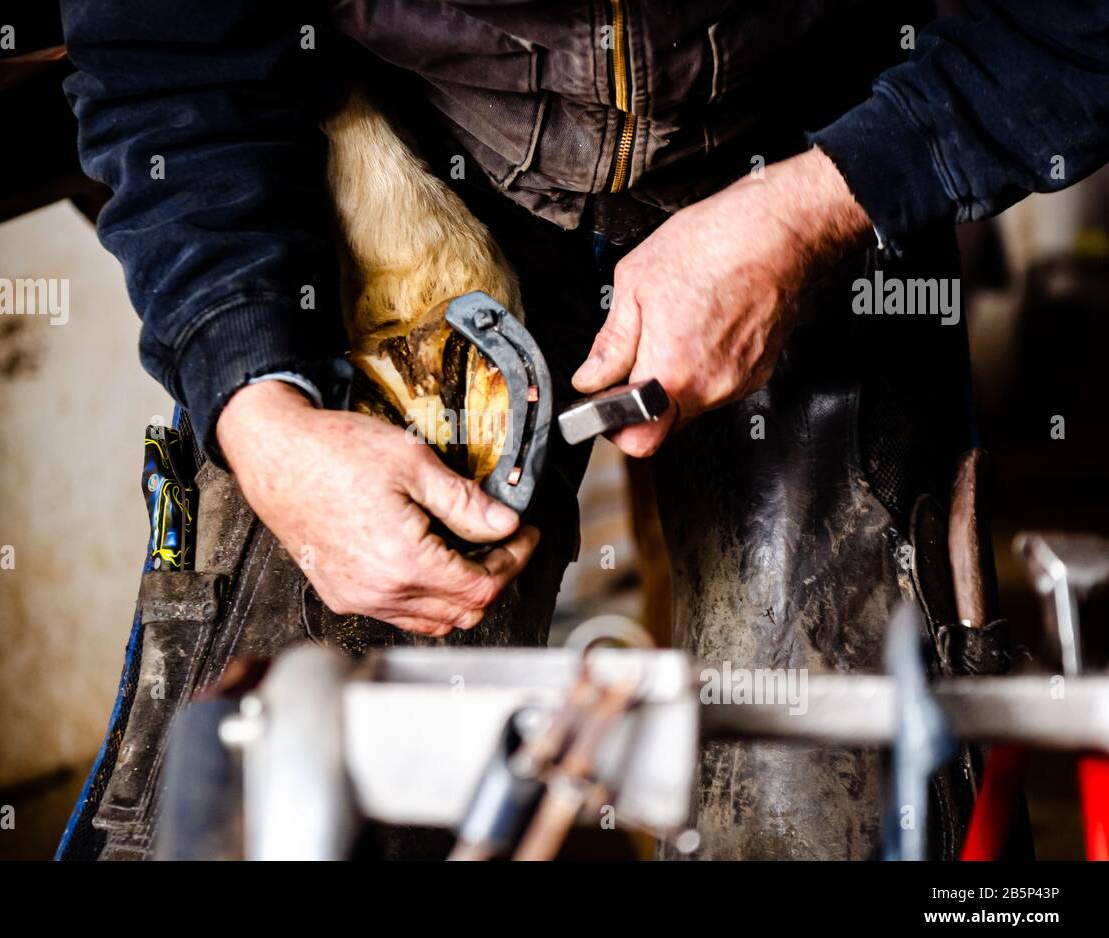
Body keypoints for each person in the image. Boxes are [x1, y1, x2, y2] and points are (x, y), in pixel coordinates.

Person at [62, 1, 1109, 858]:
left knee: (849, 811)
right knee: (265, 789)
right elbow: (161, 49)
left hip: (817, 139)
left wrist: (820, 204)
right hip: (402, 154)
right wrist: (258, 408)